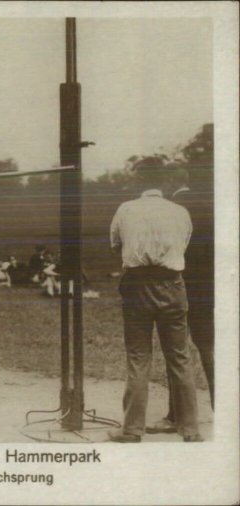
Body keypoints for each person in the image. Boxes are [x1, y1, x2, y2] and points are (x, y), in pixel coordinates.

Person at [108, 157, 202, 443]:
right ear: (164, 182)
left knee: (138, 356)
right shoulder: (180, 212)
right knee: (180, 357)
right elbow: (183, 245)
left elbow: (115, 244)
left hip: (137, 284)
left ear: (138, 181)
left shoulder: (126, 209)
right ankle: (191, 429)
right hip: (172, 283)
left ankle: (132, 429)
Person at [149, 166, 215, 434]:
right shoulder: (210, 206)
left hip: (179, 287)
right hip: (208, 289)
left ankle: (176, 415)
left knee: (177, 353)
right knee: (208, 350)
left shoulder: (172, 210)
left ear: (170, 183)